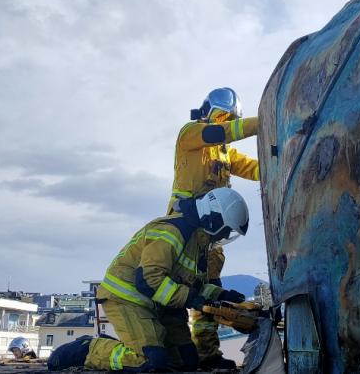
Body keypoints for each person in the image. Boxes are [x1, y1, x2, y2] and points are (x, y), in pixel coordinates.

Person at [47, 188, 250, 372]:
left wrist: (221, 294)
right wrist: (190, 298)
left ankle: (131, 343)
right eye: (226, 229)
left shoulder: (199, 242)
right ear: (212, 218)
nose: (225, 235)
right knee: (149, 360)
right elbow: (148, 279)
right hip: (128, 298)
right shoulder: (172, 232)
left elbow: (192, 285)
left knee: (186, 361)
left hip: (161, 304)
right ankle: (88, 350)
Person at [171, 87, 259, 370]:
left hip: (210, 232)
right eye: (220, 117)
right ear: (208, 113)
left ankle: (208, 355)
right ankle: (170, 349)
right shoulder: (191, 134)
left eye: (228, 118)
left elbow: (257, 170)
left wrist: (283, 155)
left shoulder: (225, 154)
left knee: (208, 289)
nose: (223, 123)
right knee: (175, 289)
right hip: (182, 226)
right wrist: (264, 123)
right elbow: (221, 133)